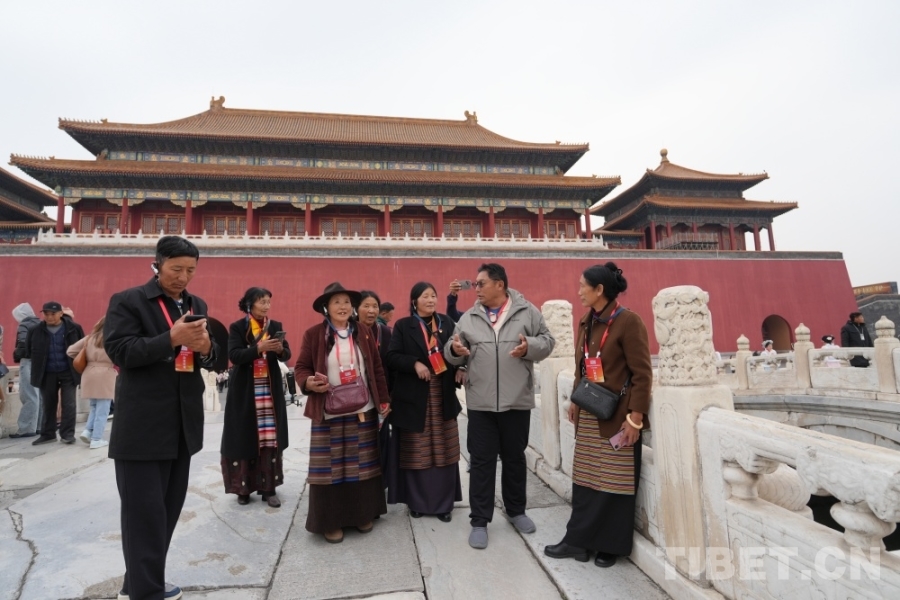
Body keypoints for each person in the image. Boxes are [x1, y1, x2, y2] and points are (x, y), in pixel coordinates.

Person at [104, 235, 218, 600]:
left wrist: (207, 347)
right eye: (176, 269)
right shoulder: (129, 301)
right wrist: (170, 337)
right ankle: (147, 593)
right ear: (158, 264)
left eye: (190, 270)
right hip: (142, 425)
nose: (183, 277)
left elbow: (215, 358)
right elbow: (120, 351)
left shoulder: (196, 305)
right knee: (143, 515)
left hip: (182, 424)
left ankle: (137, 584)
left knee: (166, 513)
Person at [544, 262, 652, 568]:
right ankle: (578, 542)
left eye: (583, 286)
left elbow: (642, 374)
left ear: (600, 289)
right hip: (590, 412)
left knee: (615, 482)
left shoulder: (629, 322)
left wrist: (635, 418)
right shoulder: (586, 321)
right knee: (587, 480)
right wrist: (575, 400)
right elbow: (583, 365)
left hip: (618, 417)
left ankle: (609, 546)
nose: (579, 291)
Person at [445, 263, 555, 550]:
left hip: (516, 400)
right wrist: (455, 352)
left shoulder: (527, 312)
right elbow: (452, 350)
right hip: (481, 403)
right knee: (481, 462)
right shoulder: (469, 318)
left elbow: (548, 341)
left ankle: (516, 511)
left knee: (515, 458)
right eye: (475, 284)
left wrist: (529, 347)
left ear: (500, 285)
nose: (476, 289)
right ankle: (479, 520)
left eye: (481, 284)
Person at [294, 282, 391, 544]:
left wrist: (383, 399)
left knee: (362, 465)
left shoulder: (363, 331)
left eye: (347, 302)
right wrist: (308, 382)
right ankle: (330, 521)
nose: (343, 306)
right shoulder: (314, 334)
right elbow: (301, 367)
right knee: (330, 468)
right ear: (326, 307)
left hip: (362, 408)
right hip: (328, 410)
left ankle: (361, 514)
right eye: (336, 302)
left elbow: (376, 367)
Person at [386, 281, 462, 521]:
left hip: (442, 394)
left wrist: (462, 366)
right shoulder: (403, 325)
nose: (430, 300)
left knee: (444, 450)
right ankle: (417, 503)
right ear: (414, 301)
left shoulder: (446, 323)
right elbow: (392, 356)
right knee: (416, 451)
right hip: (414, 397)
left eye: (433, 296)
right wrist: (415, 363)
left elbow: (459, 350)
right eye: (425, 296)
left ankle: (444, 505)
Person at [221, 287, 291, 508]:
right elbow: (234, 355)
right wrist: (258, 348)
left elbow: (287, 354)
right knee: (244, 436)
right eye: (262, 301)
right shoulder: (238, 327)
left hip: (269, 391)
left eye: (268, 301)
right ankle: (243, 489)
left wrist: (279, 350)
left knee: (269, 438)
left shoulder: (275, 326)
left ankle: (269, 489)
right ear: (249, 304)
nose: (266, 306)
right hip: (245, 390)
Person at [26, 301, 85, 445]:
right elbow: (28, 350)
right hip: (46, 372)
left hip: (68, 371)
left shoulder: (74, 328)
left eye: (53, 314)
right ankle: (48, 434)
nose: (49, 317)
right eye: (46, 314)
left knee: (69, 404)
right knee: (48, 404)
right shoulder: (35, 330)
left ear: (60, 313)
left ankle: (67, 434)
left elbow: (83, 348)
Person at [66, 316, 117, 449]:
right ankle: (96, 438)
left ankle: (88, 431)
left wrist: (87, 358)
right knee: (103, 409)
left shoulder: (89, 338)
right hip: (105, 373)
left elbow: (70, 351)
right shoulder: (113, 338)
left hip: (88, 372)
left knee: (94, 406)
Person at [11, 303, 43, 438]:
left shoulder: (24, 325)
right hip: (41, 362)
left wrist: (17, 355)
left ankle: (26, 428)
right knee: (40, 395)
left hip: (28, 361)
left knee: (28, 394)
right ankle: (39, 426)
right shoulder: (41, 324)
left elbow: (23, 344)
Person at [358, 290, 393, 390]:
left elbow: (390, 365)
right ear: (356, 308)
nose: (371, 311)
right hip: (355, 386)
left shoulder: (385, 332)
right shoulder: (349, 331)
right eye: (366, 306)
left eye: (375, 306)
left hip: (379, 386)